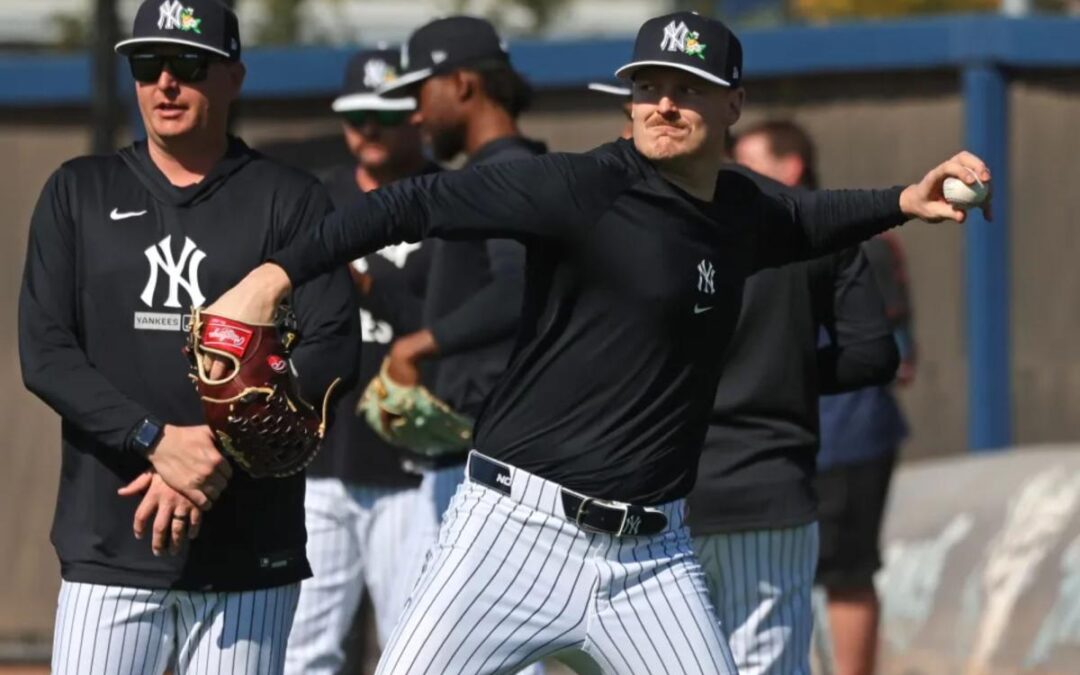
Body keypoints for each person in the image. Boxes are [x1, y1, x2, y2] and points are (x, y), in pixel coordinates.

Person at [205, 12, 990, 674]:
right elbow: (410, 204)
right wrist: (272, 278)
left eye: (689, 89)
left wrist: (902, 199)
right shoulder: (575, 187)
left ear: (733, 107)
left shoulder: (743, 209)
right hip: (512, 533)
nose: (665, 104)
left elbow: (813, 217)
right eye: (650, 87)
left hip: (651, 560)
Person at [18, 1, 358, 672]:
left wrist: (210, 453)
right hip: (111, 544)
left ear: (234, 77)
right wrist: (155, 440)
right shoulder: (78, 191)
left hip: (248, 548)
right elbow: (45, 350)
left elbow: (333, 344)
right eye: (147, 65)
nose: (165, 83)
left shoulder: (289, 199)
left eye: (187, 65)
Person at [736, 119, 915, 675]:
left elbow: (897, 357)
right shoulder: (736, 234)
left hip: (847, 436)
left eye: (748, 162)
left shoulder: (855, 238)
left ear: (790, 168)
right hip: (782, 438)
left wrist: (784, 370)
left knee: (846, 575)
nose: (733, 175)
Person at [375, 15, 547, 584]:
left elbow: (522, 287)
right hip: (484, 453)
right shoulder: (503, 171)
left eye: (422, 92)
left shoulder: (507, 174)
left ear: (465, 84)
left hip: (500, 463)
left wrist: (420, 345)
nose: (416, 115)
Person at [283, 48, 437, 674]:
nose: (369, 129)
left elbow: (465, 325)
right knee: (301, 650)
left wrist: (369, 282)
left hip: (416, 467)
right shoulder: (317, 201)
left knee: (415, 649)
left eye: (385, 114)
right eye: (356, 116)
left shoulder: (451, 198)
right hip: (321, 459)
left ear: (417, 116)